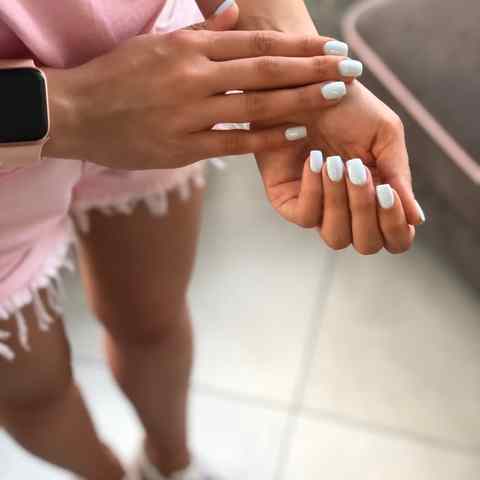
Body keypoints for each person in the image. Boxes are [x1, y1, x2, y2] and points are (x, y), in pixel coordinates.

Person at [0, 0, 425, 479]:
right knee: (33, 395)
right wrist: (65, 108)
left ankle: (171, 464)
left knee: (155, 321)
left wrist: (298, 65)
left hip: (158, 75)